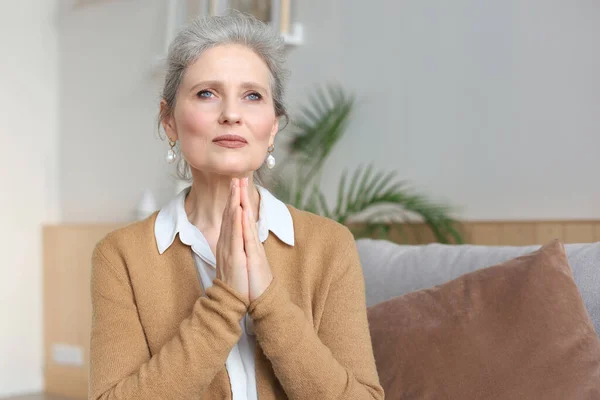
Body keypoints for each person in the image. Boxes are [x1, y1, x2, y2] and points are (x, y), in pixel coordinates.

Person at [89, 10, 384, 400]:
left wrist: (268, 301)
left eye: (252, 96)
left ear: (274, 124)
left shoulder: (330, 245)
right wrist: (225, 300)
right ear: (169, 120)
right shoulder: (121, 256)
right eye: (207, 93)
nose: (231, 114)